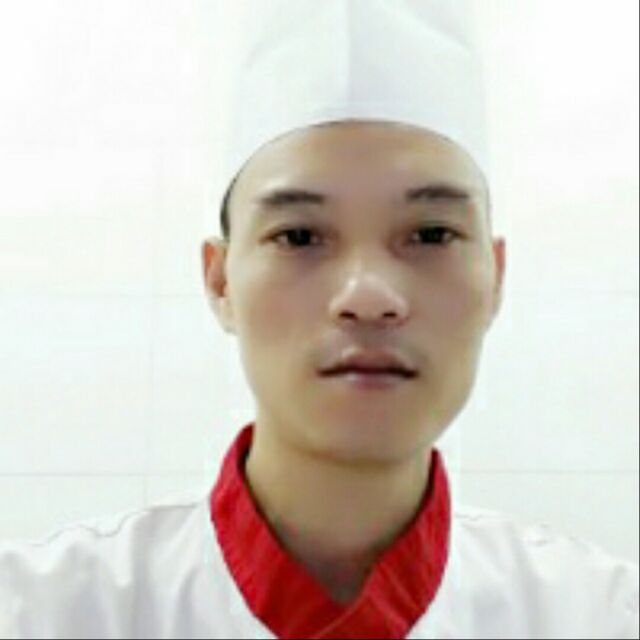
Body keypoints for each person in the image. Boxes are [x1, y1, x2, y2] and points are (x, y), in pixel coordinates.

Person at [1, 1, 638, 638]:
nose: (368, 294)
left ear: (495, 276)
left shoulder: (598, 616)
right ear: (220, 281)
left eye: (431, 234)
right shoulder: (45, 614)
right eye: (300, 236)